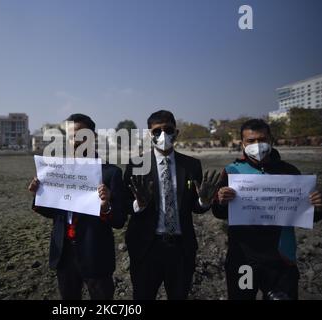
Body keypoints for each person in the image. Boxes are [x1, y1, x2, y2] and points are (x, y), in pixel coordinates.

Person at [212, 119, 322, 300]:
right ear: (242, 144)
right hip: (244, 260)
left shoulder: (290, 172)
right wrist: (221, 201)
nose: (257, 145)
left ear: (271, 140)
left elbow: (308, 215)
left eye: (262, 140)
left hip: (281, 259)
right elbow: (219, 213)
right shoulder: (232, 171)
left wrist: (317, 208)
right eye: (251, 141)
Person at [28, 114, 126, 300]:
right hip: (64, 254)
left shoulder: (111, 173)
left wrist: (106, 207)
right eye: (72, 136)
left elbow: (120, 220)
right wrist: (39, 195)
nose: (76, 141)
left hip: (96, 255)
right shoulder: (57, 171)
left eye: (83, 136)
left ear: (93, 137)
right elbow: (54, 213)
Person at [124, 110, 220, 300]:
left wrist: (204, 201)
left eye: (168, 130)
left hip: (180, 248)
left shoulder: (192, 165)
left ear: (176, 132)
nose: (163, 135)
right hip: (146, 248)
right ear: (149, 135)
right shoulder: (136, 164)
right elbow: (124, 203)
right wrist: (138, 204)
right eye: (156, 131)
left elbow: (195, 205)